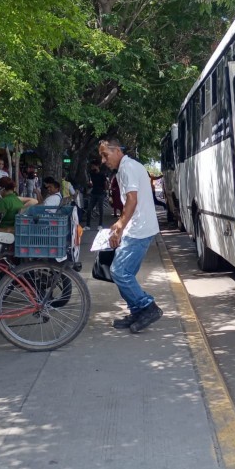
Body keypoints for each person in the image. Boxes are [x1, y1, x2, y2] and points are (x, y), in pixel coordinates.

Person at [99, 139, 162, 333]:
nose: (103, 161)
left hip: (138, 229)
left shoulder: (127, 168)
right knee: (126, 274)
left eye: (105, 155)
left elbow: (132, 201)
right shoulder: (128, 167)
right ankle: (137, 311)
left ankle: (148, 307)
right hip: (139, 228)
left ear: (117, 150)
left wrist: (120, 226)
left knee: (119, 272)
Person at [85, 160, 108, 230]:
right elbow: (90, 184)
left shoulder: (102, 174)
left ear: (97, 166)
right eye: (91, 166)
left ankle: (100, 225)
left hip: (101, 193)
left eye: (93, 166)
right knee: (89, 209)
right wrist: (89, 185)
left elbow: (105, 184)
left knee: (101, 209)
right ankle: (87, 226)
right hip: (93, 193)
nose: (92, 167)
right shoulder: (91, 174)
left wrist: (105, 190)